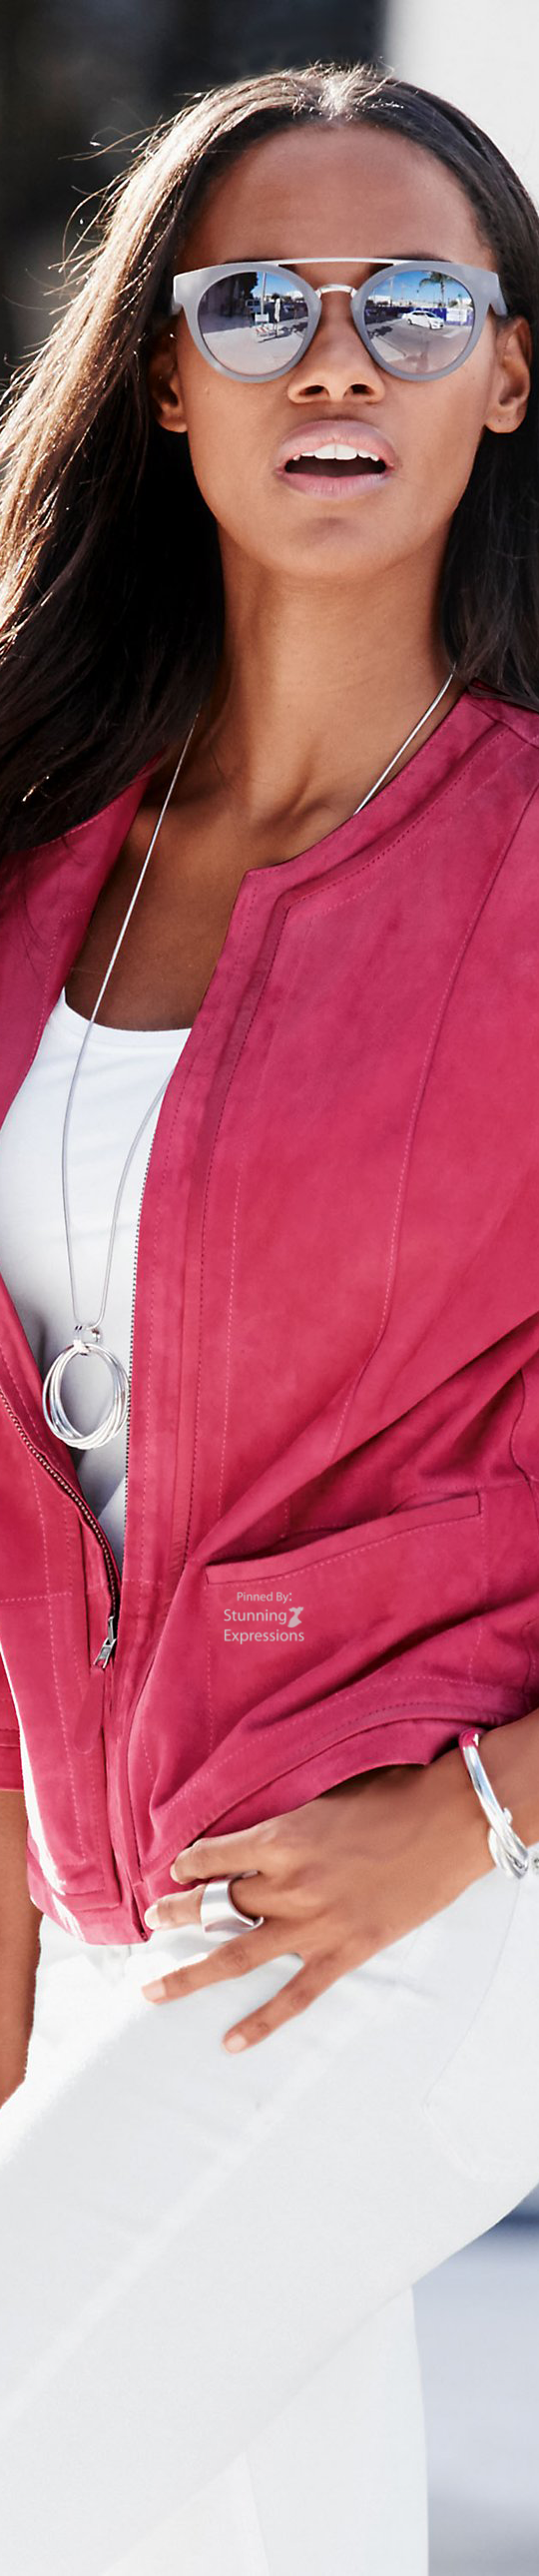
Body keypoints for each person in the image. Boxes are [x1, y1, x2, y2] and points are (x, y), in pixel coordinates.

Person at [1, 55, 539, 2575]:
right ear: (163, 375)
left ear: (506, 373)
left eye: (409, 302)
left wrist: (483, 1812)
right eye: (260, 304)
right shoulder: (42, 861)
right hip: (134, 1884)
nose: (336, 357)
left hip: (431, 1876)